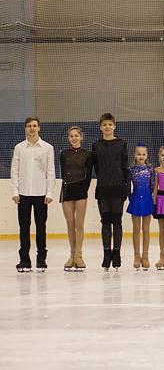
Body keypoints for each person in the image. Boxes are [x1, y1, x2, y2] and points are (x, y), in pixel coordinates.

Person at [11, 117, 55, 272]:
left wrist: (50, 192)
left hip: (41, 194)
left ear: (39, 128)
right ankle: (24, 259)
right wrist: (15, 191)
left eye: (34, 126)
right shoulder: (19, 148)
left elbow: (51, 171)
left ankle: (41, 258)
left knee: (41, 227)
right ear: (25, 128)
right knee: (24, 227)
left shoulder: (47, 148)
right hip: (23, 194)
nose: (32, 128)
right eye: (29, 126)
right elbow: (14, 171)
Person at [90, 113, 129, 270]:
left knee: (117, 221)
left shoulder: (121, 144)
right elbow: (96, 168)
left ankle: (117, 254)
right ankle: (107, 254)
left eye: (110, 124)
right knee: (105, 221)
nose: (107, 127)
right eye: (104, 124)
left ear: (114, 126)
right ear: (100, 127)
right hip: (103, 188)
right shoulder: (96, 146)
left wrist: (125, 187)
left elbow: (124, 166)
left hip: (118, 188)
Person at [58, 126, 91, 272]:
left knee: (79, 225)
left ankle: (79, 255)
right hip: (67, 190)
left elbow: (88, 175)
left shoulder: (87, 154)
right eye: (71, 136)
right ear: (68, 138)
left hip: (81, 190)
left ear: (81, 137)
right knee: (70, 224)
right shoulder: (63, 154)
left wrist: (84, 189)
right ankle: (71, 255)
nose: (74, 138)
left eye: (76, 135)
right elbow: (64, 173)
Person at [125, 144, 155, 270]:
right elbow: (127, 185)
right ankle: (137, 256)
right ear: (135, 155)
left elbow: (153, 185)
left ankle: (145, 256)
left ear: (147, 155)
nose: (141, 156)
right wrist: (131, 197)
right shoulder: (131, 169)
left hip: (147, 198)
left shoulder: (150, 169)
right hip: (136, 199)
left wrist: (149, 196)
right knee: (136, 229)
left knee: (146, 229)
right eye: (138, 154)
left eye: (143, 154)